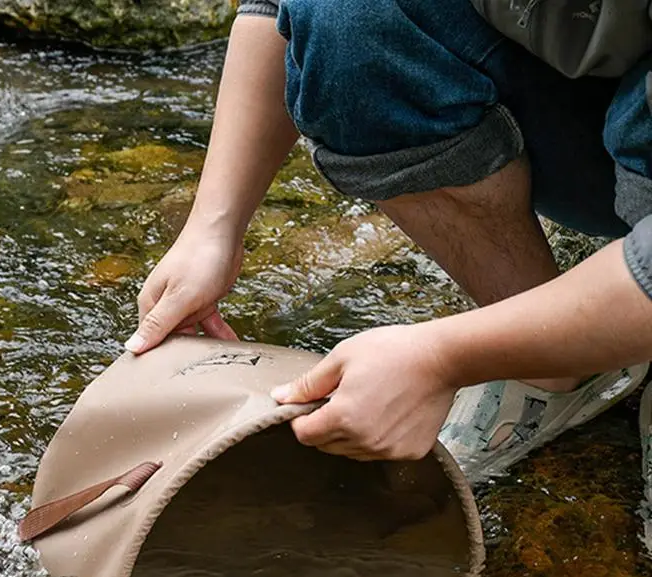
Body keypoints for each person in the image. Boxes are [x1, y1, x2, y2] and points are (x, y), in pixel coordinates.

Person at [124, 0, 652, 489]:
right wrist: (214, 228)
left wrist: (440, 358)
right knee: (346, 21)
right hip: (596, 113)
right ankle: (551, 366)